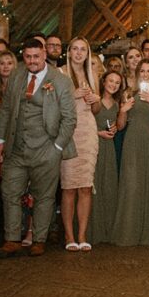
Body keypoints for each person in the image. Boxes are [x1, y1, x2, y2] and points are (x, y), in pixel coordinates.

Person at [0, 38, 77, 258]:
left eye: (36, 57)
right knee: (9, 191)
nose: (32, 61)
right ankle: (12, 239)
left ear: (44, 55)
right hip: (16, 147)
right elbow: (6, 109)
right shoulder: (16, 76)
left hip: (46, 147)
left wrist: (57, 147)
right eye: (28, 57)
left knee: (44, 196)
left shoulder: (60, 81)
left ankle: (39, 240)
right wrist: (0, 140)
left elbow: (69, 118)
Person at [113, 60, 149, 246]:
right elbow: (120, 126)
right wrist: (123, 110)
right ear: (137, 74)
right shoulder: (128, 93)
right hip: (133, 141)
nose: (145, 74)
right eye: (142, 71)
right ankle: (129, 232)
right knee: (132, 184)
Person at [60, 37, 101, 252]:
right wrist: (72, 95)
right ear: (69, 52)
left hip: (88, 131)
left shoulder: (92, 74)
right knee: (69, 187)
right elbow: (53, 106)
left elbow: (97, 110)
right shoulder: (60, 73)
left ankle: (82, 235)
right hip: (68, 133)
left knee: (85, 185)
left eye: (82, 49)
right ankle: (69, 235)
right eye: (74, 49)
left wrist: (95, 99)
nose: (78, 53)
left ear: (87, 52)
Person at [89, 71, 131, 245]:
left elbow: (120, 126)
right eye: (110, 81)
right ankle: (92, 230)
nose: (113, 85)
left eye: (117, 82)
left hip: (109, 148)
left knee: (108, 186)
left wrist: (122, 111)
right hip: (93, 145)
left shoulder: (116, 103)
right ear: (103, 81)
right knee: (94, 185)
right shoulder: (94, 99)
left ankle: (107, 230)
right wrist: (98, 133)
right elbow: (82, 122)